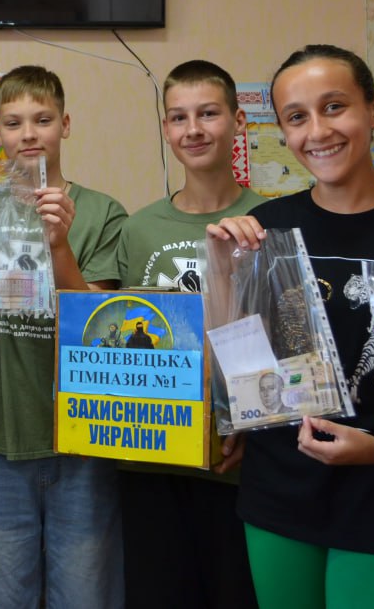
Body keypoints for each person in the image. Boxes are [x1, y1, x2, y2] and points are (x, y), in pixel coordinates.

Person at [213, 45, 374, 609]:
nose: (318, 131)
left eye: (334, 107)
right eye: (296, 117)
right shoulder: (265, 229)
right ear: (282, 131)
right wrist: (223, 267)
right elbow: (242, 377)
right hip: (280, 487)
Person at [0, 64, 128, 609]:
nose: (29, 134)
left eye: (43, 119)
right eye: (14, 122)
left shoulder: (101, 212)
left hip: (87, 434)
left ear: (66, 124)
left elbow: (95, 333)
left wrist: (58, 244)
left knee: (85, 594)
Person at [114, 59, 262, 608]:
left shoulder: (270, 220)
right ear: (165, 128)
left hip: (238, 465)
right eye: (179, 117)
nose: (193, 129)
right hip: (151, 459)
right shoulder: (138, 228)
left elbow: (283, 339)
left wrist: (250, 425)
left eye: (208, 114)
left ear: (238, 120)